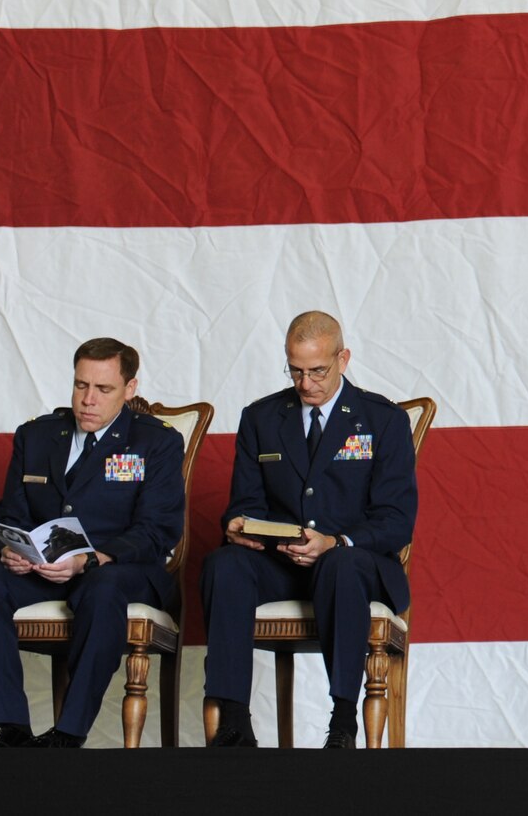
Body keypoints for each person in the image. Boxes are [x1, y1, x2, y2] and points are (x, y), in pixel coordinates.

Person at [202, 311, 418, 748]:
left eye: (317, 370)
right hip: (281, 562)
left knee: (341, 564)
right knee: (223, 564)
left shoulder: (384, 420)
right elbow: (245, 501)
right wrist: (239, 525)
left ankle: (342, 719)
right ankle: (234, 721)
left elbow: (396, 519)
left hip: (354, 564)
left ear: (343, 358)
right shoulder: (261, 418)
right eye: (296, 371)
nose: (306, 384)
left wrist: (336, 541)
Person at [0, 338, 184, 748]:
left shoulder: (157, 441)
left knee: (103, 587)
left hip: (120, 569)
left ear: (129, 389)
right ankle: (13, 728)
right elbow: (12, 512)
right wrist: (12, 551)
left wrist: (91, 559)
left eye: (103, 389)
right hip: (44, 567)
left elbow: (157, 530)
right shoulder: (37, 436)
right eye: (81, 386)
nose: (88, 401)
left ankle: (69, 732)